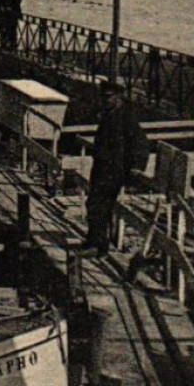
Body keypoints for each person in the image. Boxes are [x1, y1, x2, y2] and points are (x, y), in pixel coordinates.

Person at [78, 82, 150, 257]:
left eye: (108, 97)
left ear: (118, 97)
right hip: (102, 168)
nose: (104, 100)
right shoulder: (109, 114)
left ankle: (98, 244)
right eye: (103, 96)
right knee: (95, 204)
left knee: (98, 204)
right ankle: (96, 242)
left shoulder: (127, 117)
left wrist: (136, 167)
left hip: (114, 170)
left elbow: (141, 144)